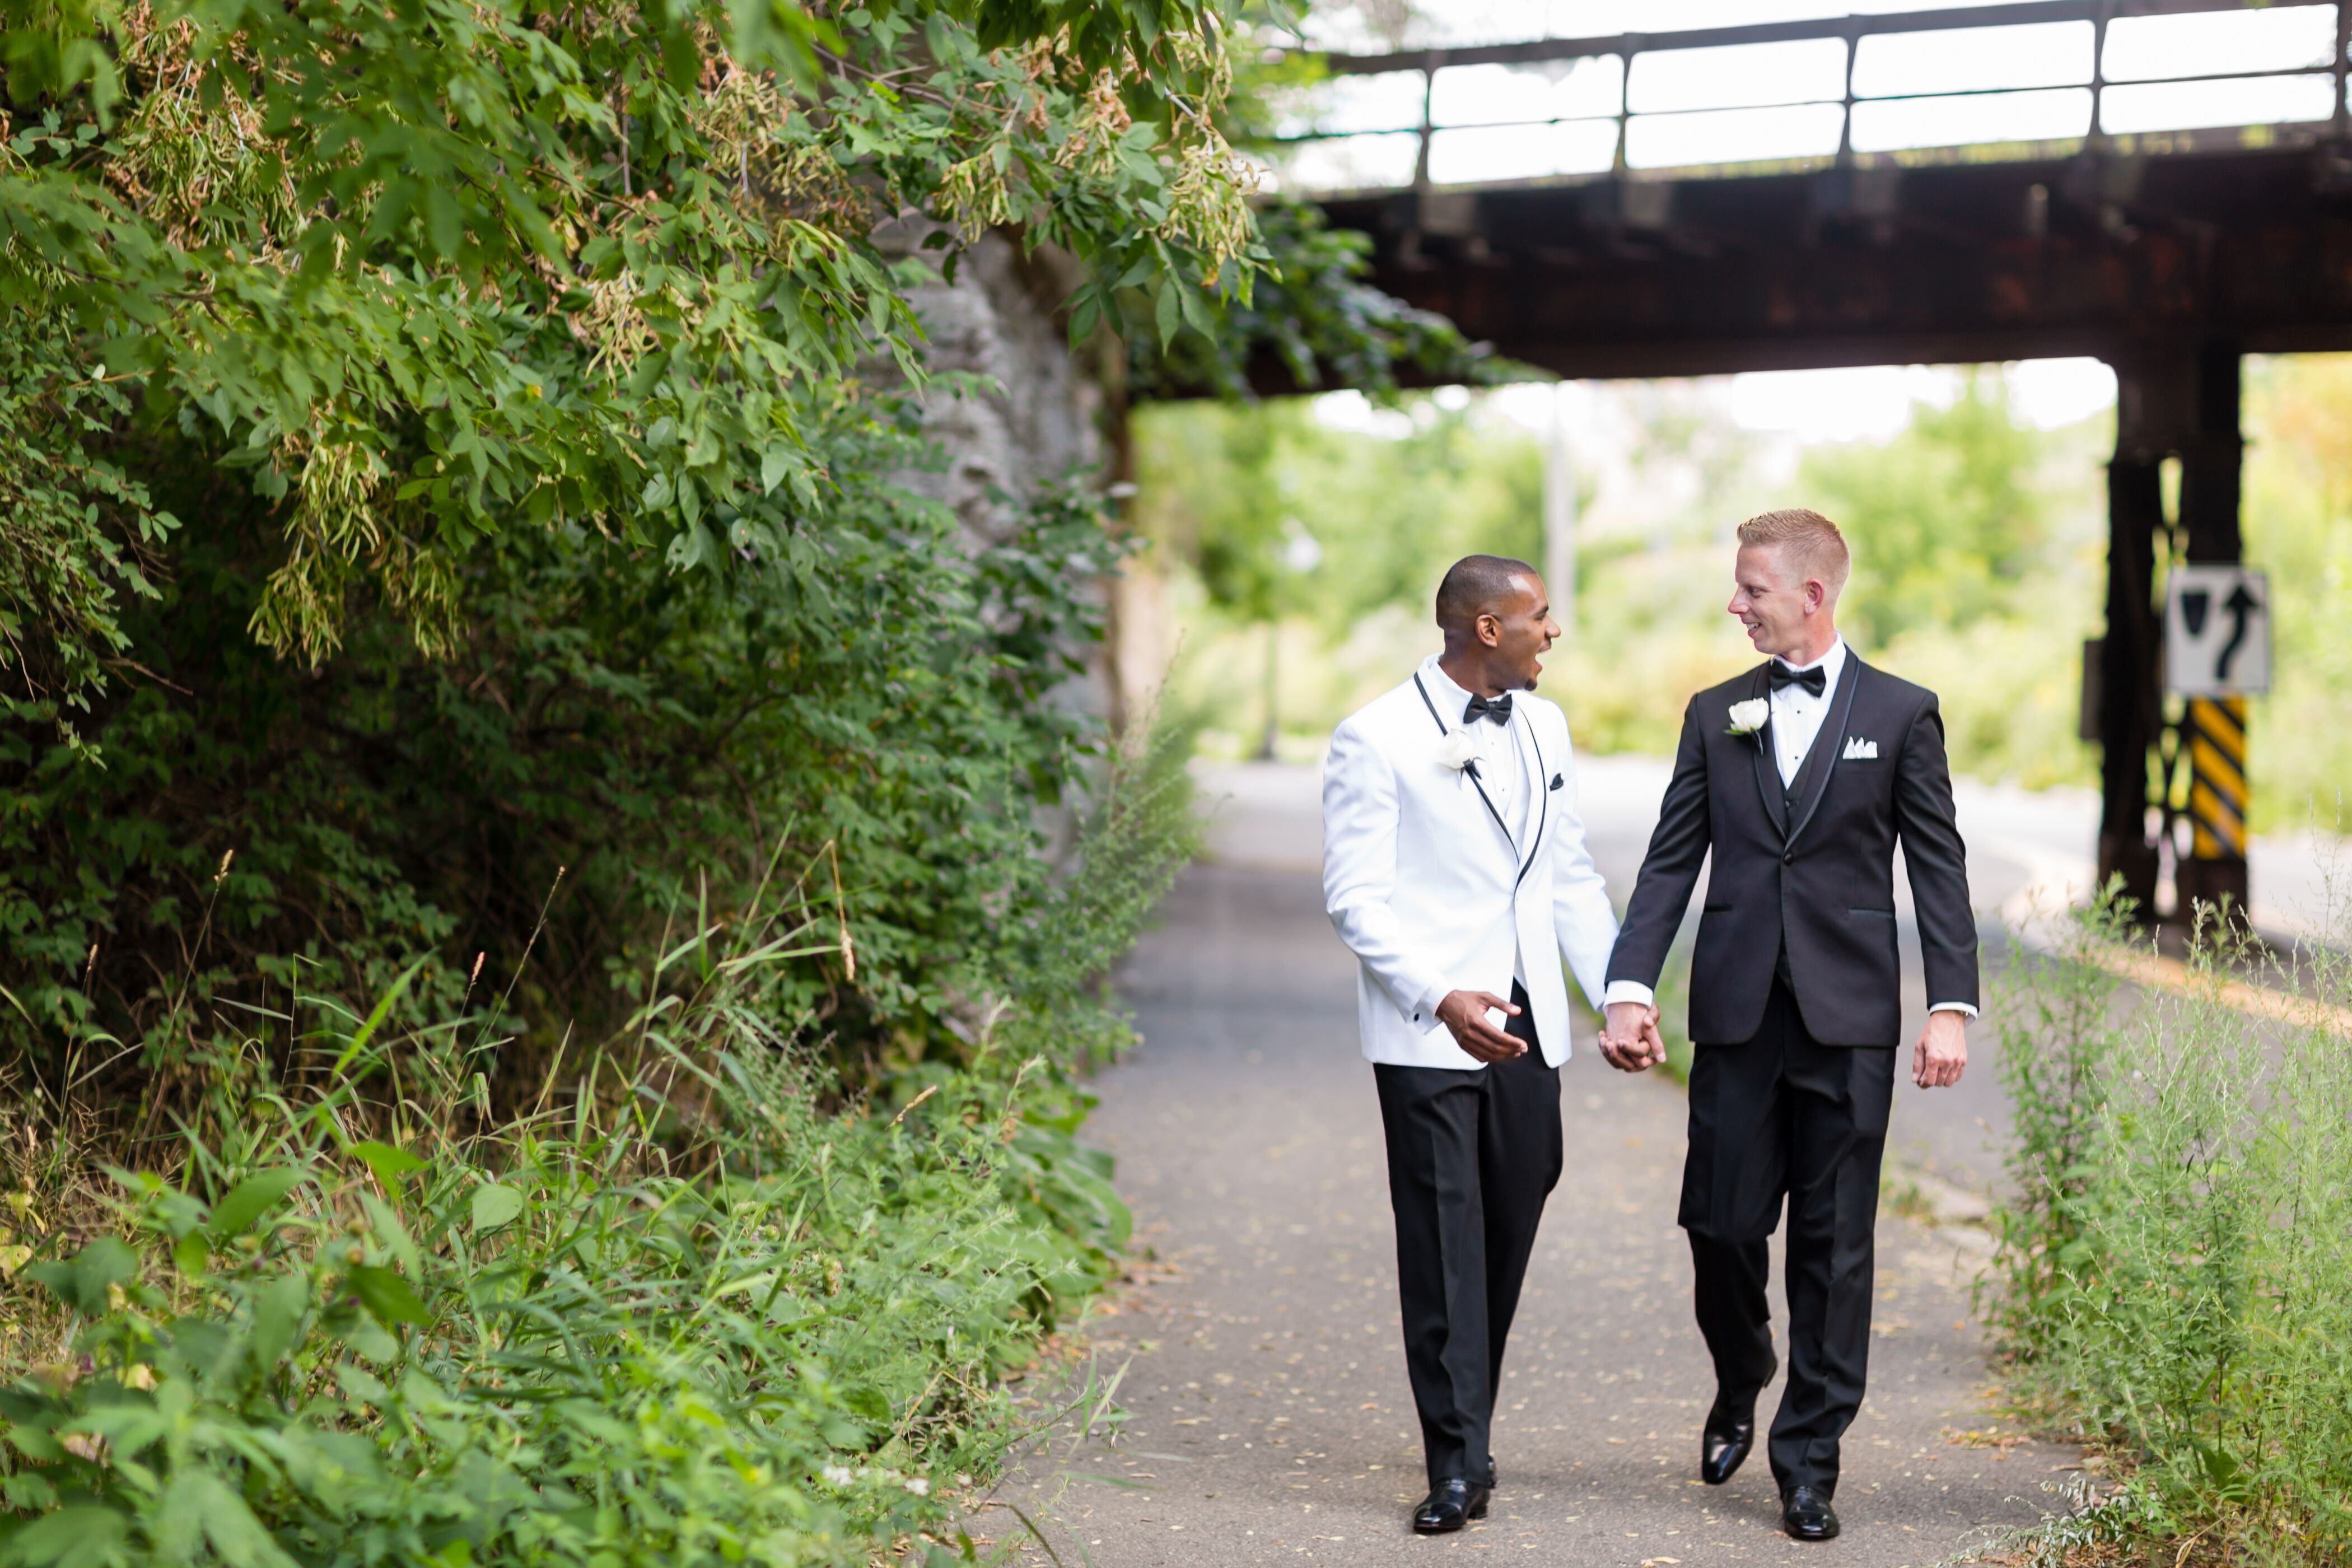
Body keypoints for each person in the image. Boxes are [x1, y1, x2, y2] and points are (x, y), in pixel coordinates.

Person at [1596, 508, 1977, 1543]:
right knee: (1717, 1223)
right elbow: (1672, 858)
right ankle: (1742, 1371)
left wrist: (1948, 1005)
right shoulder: (1716, 712)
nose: (1735, 605)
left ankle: (1808, 1460)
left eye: (1751, 589)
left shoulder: (1903, 714)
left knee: (1834, 1243)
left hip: (1849, 1018)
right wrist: (1629, 982)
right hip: (1734, 1012)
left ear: (1813, 595)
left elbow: (1936, 867)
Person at [1320, 554, 1634, 1535]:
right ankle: (1456, 1459)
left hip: (1530, 1017)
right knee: (1444, 1240)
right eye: (1540, 616)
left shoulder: (1544, 724)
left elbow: (1567, 873)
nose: (1554, 632)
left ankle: (1467, 1407)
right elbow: (1355, 898)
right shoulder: (1375, 737)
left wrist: (1618, 991)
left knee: (1516, 1203)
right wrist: (1434, 994)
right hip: (1429, 1030)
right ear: (1488, 628)